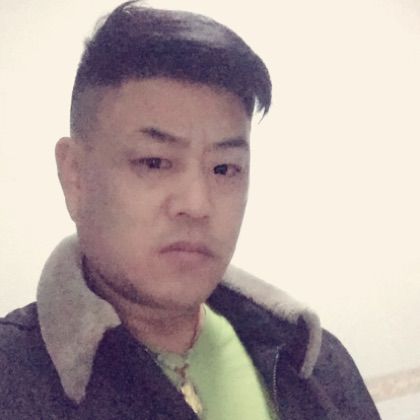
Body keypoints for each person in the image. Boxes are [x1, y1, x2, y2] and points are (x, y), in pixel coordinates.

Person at [0, 1, 380, 419]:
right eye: (154, 162)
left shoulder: (310, 361)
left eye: (224, 168)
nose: (197, 204)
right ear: (74, 175)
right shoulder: (13, 383)